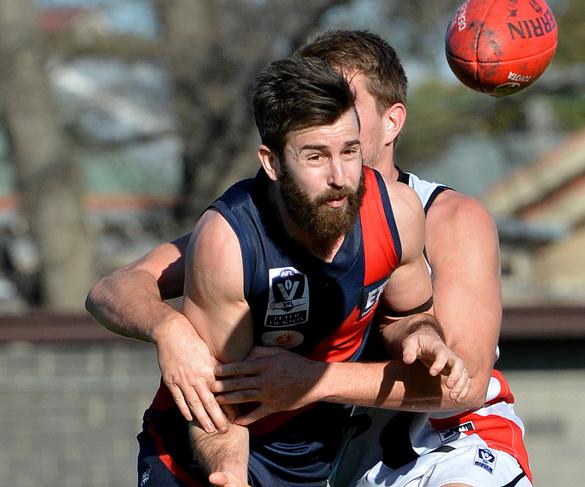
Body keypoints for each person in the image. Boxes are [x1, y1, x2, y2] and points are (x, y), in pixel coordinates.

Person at [86, 30, 531, 486]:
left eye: (343, 112)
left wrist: (319, 376)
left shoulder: (420, 213)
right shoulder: (242, 231)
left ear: (390, 122)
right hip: (270, 449)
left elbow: (457, 378)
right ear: (276, 159)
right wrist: (169, 329)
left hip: (443, 443)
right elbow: (115, 290)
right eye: (315, 143)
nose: (328, 117)